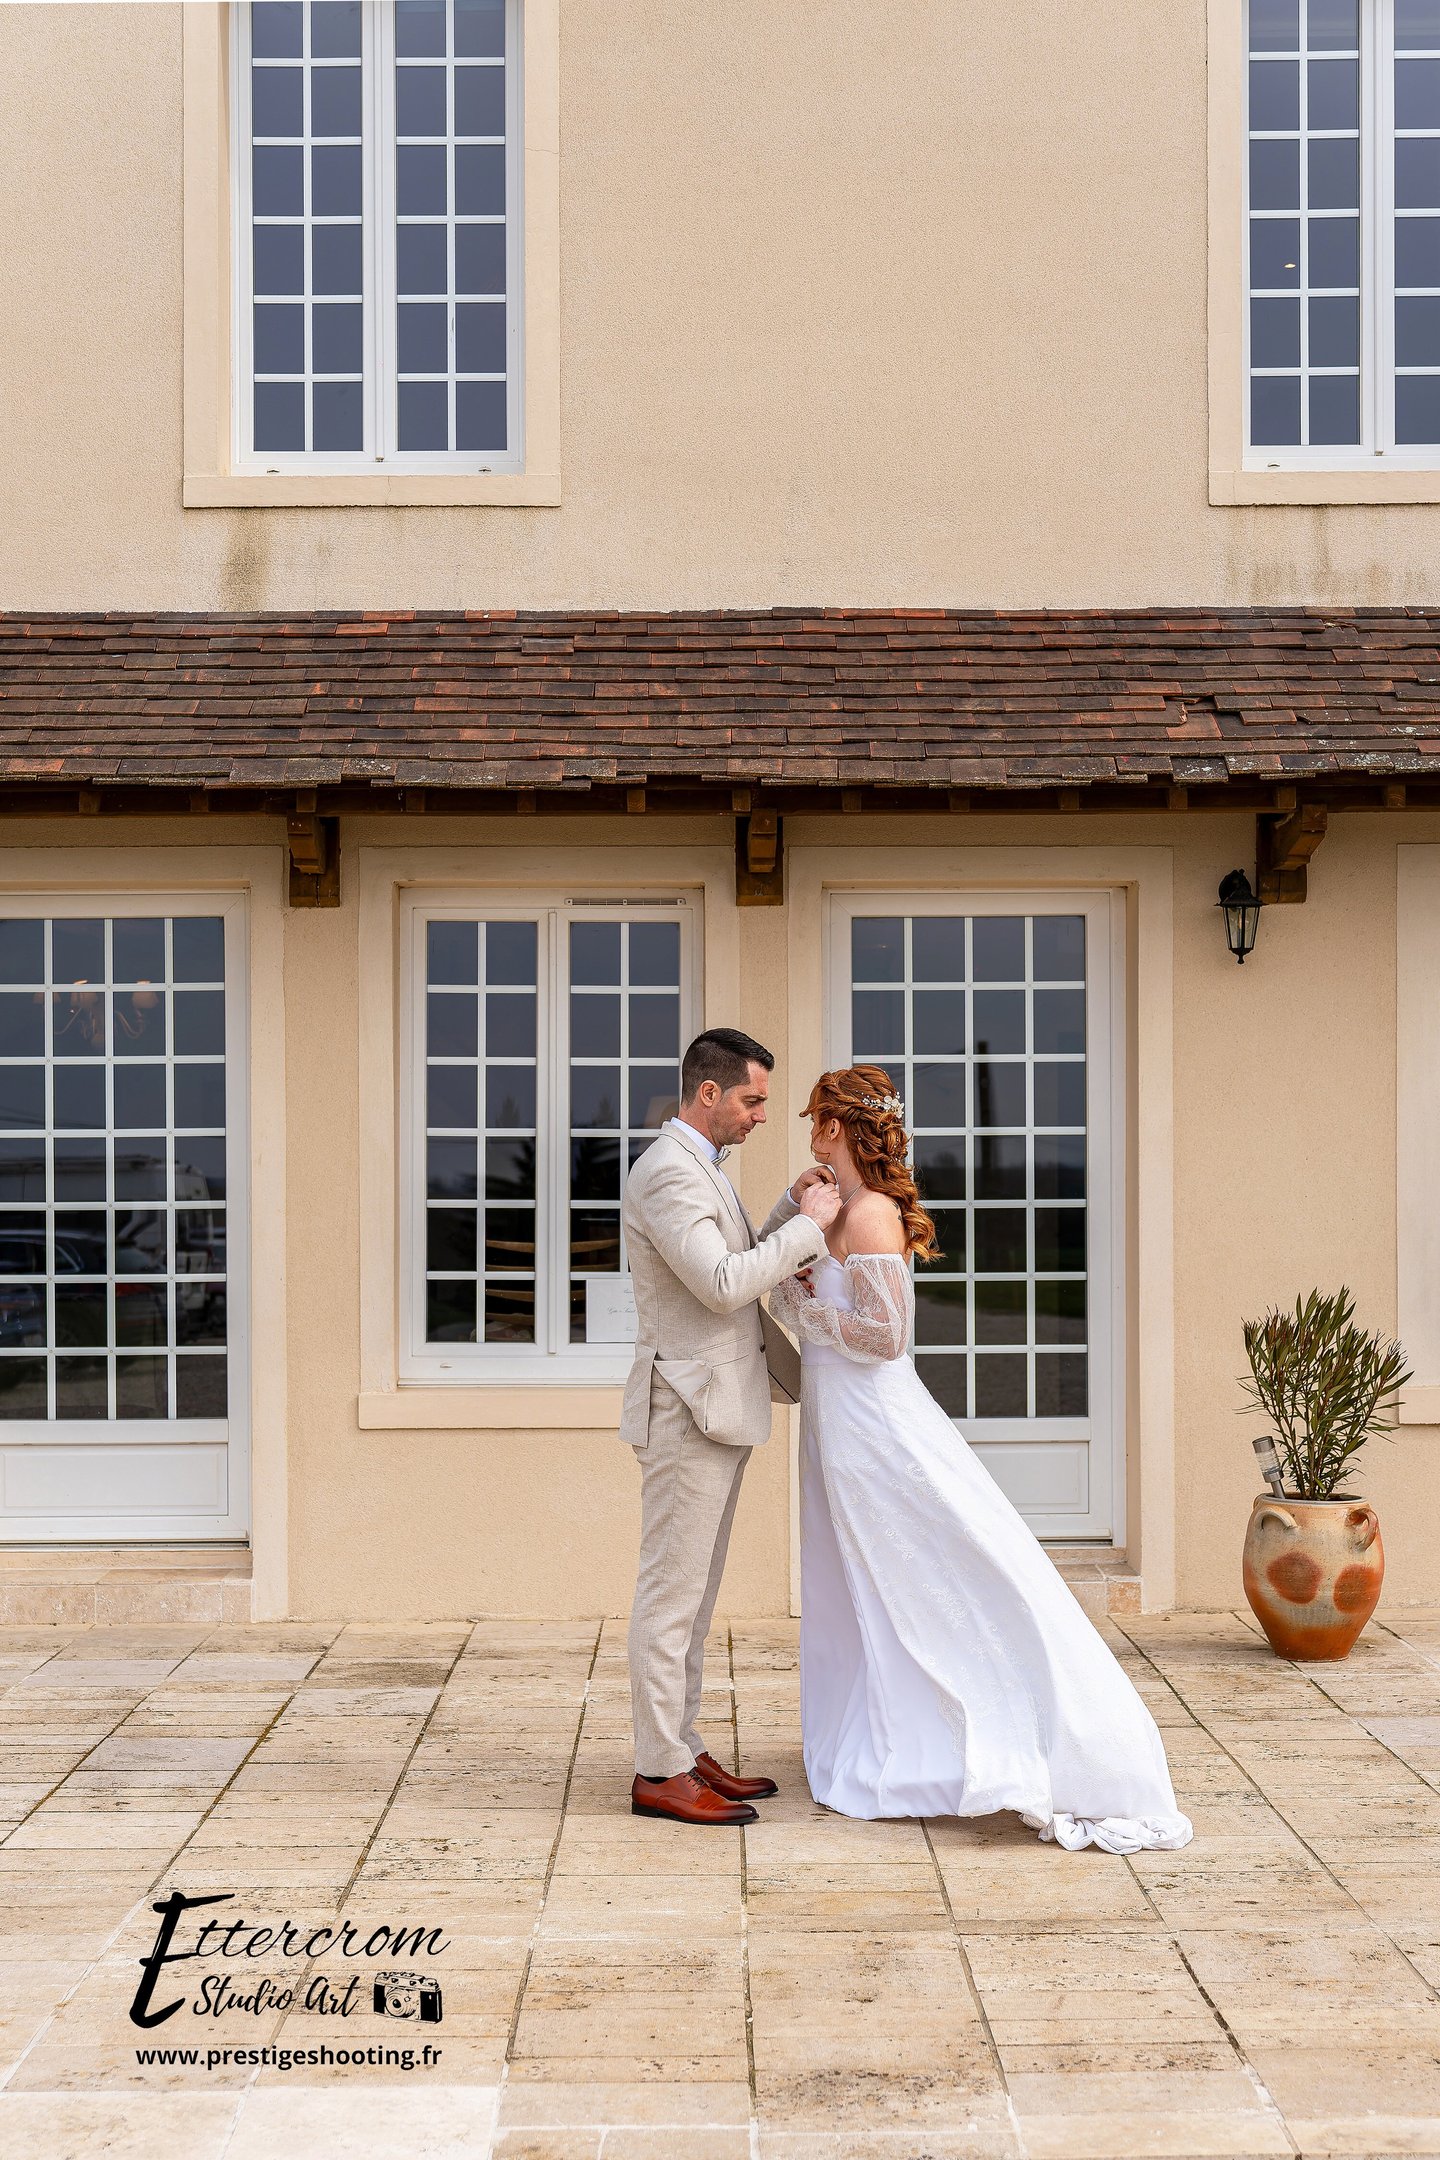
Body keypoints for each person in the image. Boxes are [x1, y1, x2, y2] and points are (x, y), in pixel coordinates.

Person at [767, 1064, 1193, 1854]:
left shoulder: (871, 1215)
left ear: (836, 1127)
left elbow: (885, 1337)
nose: (807, 1132)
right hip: (838, 1424)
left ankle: (1041, 1742)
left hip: (874, 1424)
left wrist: (798, 1304)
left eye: (813, 1120)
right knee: (862, 1582)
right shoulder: (838, 1206)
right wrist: (798, 1214)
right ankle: (887, 1738)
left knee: (930, 1574)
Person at [621, 1027, 841, 1827]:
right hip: (687, 1407)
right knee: (670, 1596)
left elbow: (735, 1250)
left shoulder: (698, 1167)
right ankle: (658, 1772)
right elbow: (720, 1284)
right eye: (751, 1100)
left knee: (696, 1594)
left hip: (716, 1403)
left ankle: (680, 1746)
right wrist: (810, 1228)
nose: (758, 1116)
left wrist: (787, 1206)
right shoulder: (667, 1171)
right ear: (707, 1093)